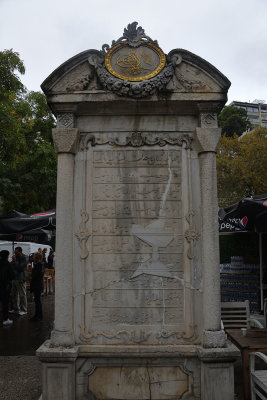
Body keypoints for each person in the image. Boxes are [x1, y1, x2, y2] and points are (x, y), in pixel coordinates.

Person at [10, 246, 28, 316]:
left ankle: (24, 310)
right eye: (15, 252)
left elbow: (20, 268)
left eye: (16, 252)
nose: (15, 253)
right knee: (14, 295)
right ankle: (16, 309)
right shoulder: (16, 258)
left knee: (22, 295)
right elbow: (11, 265)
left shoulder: (25, 257)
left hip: (21, 278)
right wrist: (13, 261)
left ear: (20, 252)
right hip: (14, 279)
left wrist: (14, 261)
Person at [0, 250, 14, 326]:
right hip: (5, 286)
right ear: (7, 256)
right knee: (5, 303)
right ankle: (5, 319)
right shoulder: (7, 264)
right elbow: (12, 275)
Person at [29, 252, 43, 322]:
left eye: (34, 257)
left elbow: (36, 275)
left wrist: (31, 276)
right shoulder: (38, 265)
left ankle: (38, 316)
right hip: (38, 285)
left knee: (37, 301)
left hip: (37, 285)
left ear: (37, 258)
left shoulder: (39, 265)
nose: (33, 258)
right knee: (37, 301)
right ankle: (38, 315)